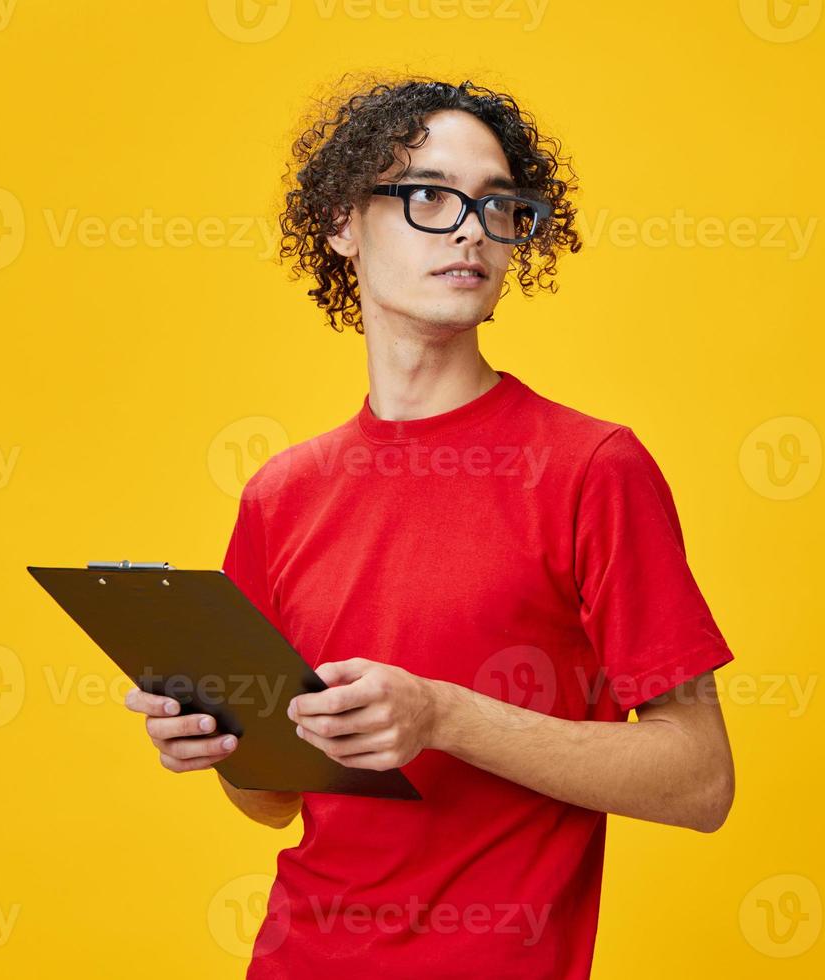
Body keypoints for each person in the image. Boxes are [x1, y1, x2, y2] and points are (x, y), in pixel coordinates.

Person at [123, 75, 736, 978]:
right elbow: (277, 802)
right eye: (428, 196)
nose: (469, 229)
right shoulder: (281, 495)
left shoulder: (593, 468)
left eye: (498, 206)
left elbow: (700, 780)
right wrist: (219, 745)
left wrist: (443, 714)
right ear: (341, 224)